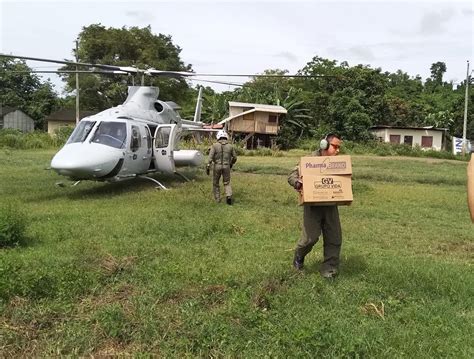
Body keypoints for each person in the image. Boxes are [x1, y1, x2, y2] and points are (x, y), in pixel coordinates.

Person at [288, 133, 343, 278]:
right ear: (324, 145)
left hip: (330, 205)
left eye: (339, 148)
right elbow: (291, 176)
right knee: (309, 239)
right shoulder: (309, 161)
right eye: (335, 147)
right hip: (313, 206)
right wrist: (298, 183)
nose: (338, 151)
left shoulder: (337, 163)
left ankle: (329, 270)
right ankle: (299, 256)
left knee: (334, 237)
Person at [206, 130, 237, 205]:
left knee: (216, 183)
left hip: (217, 166)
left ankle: (217, 199)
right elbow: (235, 157)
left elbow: (210, 158)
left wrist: (208, 166)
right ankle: (229, 195)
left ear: (218, 137)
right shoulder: (230, 146)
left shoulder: (214, 146)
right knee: (227, 183)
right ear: (226, 137)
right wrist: (231, 163)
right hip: (226, 166)